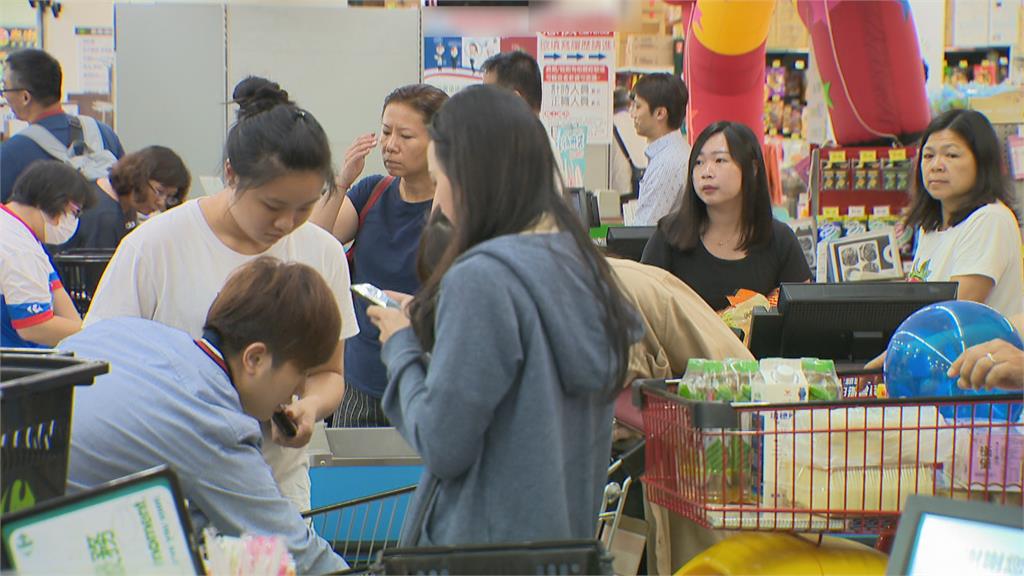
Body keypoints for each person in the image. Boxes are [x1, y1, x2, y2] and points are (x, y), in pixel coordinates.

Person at [367, 85, 641, 546]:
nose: (441, 205)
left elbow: (443, 442)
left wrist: (401, 347)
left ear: (470, 178)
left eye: (443, 183)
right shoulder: (582, 266)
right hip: (561, 546)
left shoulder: (482, 279)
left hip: (478, 550)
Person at [83, 76, 359, 513]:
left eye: (305, 206)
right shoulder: (156, 245)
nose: (288, 224)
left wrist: (309, 407)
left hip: (273, 490)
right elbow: (97, 364)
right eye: (272, 206)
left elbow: (329, 371)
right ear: (231, 173)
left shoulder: (321, 252)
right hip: (167, 491)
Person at [65, 257, 348, 575]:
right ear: (255, 358)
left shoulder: (129, 331)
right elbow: (293, 549)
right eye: (299, 373)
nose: (298, 391)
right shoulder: (213, 423)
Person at [310, 84, 447, 427]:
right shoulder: (373, 190)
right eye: (386, 132)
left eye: (406, 136)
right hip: (361, 377)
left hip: (426, 378)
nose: (390, 145)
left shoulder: (455, 206)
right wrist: (342, 181)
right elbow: (315, 239)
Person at [641, 121, 811, 311]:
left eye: (719, 160)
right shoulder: (669, 237)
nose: (706, 172)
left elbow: (801, 317)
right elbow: (643, 312)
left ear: (752, 169)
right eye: (699, 162)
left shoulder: (780, 240)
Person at [904, 109, 1022, 318]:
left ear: (981, 162)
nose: (936, 166)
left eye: (951, 155)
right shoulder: (930, 228)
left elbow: (953, 314)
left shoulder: (990, 219)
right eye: (929, 155)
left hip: (976, 350)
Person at [0, 49, 124, 202]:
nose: (4, 96)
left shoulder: (11, 153)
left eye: (5, 88)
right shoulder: (103, 133)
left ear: (25, 97)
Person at [1, 161, 94, 347]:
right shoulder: (17, 247)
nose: (73, 221)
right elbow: (34, 327)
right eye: (74, 212)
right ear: (55, 201)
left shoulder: (20, 231)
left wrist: (87, 334)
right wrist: (99, 335)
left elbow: (56, 291)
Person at [62, 145, 191, 251]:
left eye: (169, 197)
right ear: (139, 177)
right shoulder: (105, 216)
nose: (161, 203)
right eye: (159, 192)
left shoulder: (121, 202)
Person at [629, 73, 690, 225]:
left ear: (660, 113)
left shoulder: (666, 164)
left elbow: (645, 230)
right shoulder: (676, 151)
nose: (632, 114)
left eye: (637, 106)